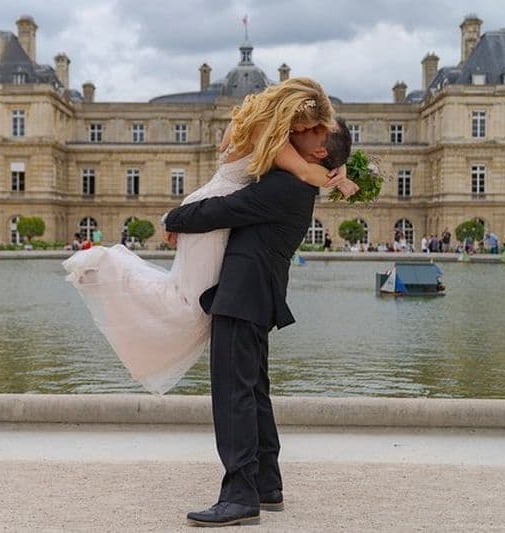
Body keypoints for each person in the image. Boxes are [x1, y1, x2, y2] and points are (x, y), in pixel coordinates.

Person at [166, 118, 353, 527]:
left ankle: (239, 496)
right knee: (252, 391)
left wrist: (174, 218)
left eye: (317, 127)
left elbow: (224, 210)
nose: (303, 124)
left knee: (234, 394)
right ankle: (267, 484)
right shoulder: (297, 180)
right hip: (256, 294)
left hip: (243, 295)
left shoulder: (287, 185)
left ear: (320, 150)